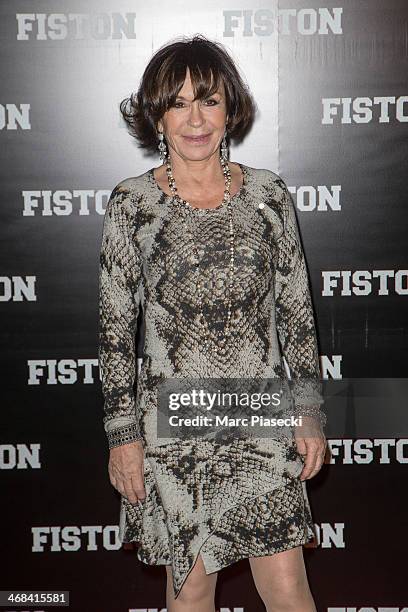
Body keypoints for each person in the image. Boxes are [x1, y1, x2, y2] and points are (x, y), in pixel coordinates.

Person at [98, 34, 327, 612]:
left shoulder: (269, 195)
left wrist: (308, 411)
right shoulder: (133, 205)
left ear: (231, 111)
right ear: (156, 116)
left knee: (286, 587)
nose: (195, 119)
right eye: (178, 103)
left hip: (261, 416)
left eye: (209, 100)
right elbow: (115, 330)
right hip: (176, 427)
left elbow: (296, 313)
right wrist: (123, 437)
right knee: (192, 588)